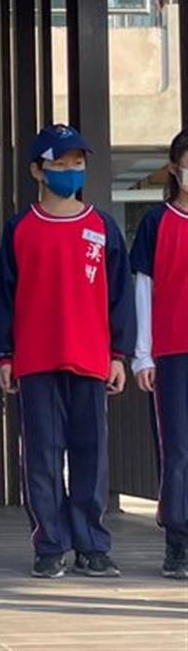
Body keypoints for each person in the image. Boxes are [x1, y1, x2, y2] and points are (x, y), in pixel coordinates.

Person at [0, 123, 135, 580]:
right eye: (60, 163)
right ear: (38, 170)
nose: (71, 170)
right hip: (35, 361)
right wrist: (4, 354)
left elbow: (120, 297)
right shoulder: (20, 228)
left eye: (78, 162)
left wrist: (120, 354)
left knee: (91, 456)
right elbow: (5, 297)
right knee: (41, 456)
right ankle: (50, 544)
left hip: (92, 360)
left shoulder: (102, 227)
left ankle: (92, 545)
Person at [130, 129, 188, 580]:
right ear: (175, 168)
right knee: (177, 450)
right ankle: (178, 542)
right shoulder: (156, 222)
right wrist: (142, 355)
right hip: (171, 352)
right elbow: (143, 289)